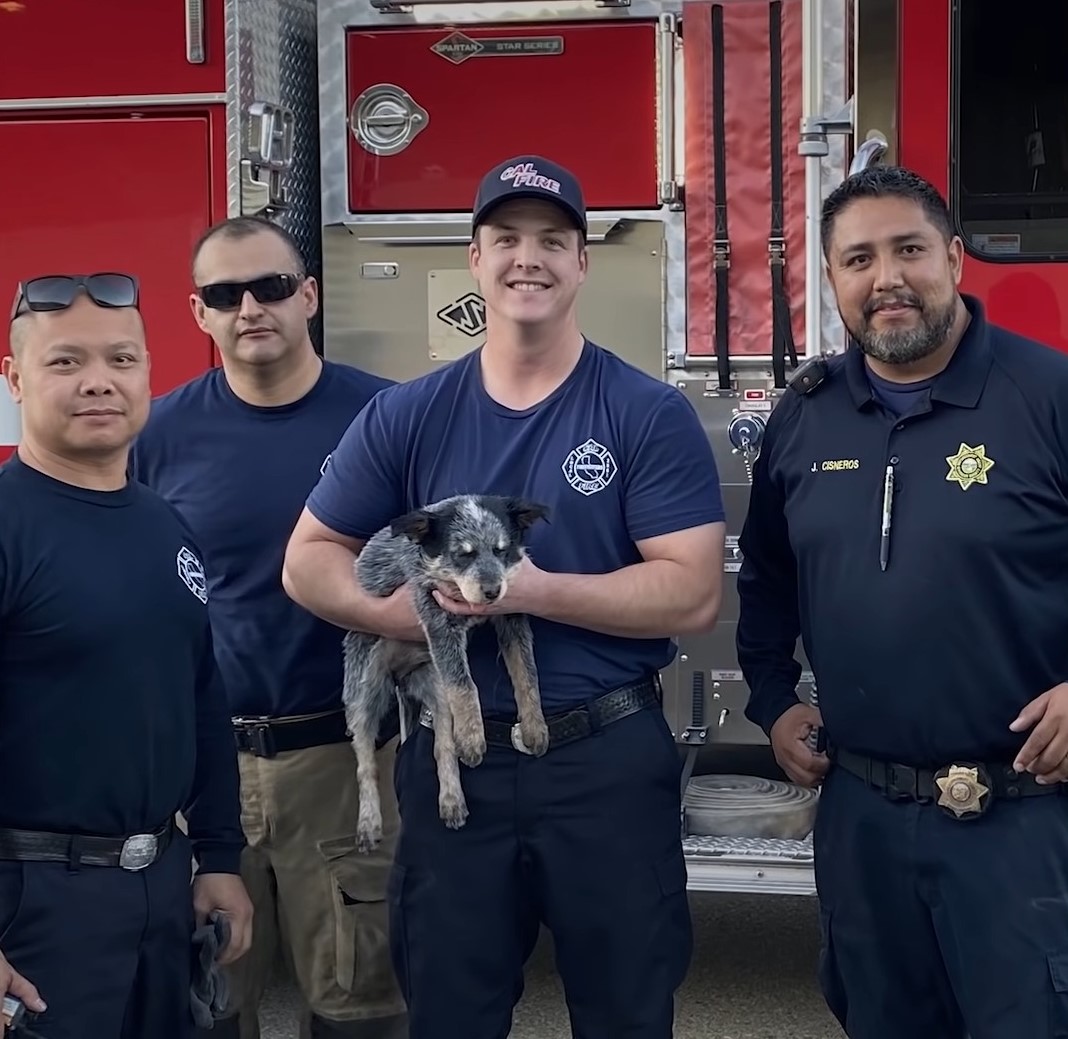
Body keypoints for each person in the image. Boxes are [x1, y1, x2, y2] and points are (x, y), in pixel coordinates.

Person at [281, 154, 726, 1039]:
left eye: (553, 241)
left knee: (628, 1011)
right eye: (508, 240)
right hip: (457, 766)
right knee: (449, 1011)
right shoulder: (409, 413)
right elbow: (308, 559)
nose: (530, 258)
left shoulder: (644, 411)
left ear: (582, 263)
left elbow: (691, 593)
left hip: (603, 758)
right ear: (476, 259)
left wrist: (533, 591)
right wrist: (395, 614)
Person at [736, 164, 1068, 1039]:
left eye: (909, 248)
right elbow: (765, 578)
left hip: (1024, 819)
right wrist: (771, 699)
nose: (885, 277)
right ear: (833, 278)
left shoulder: (1049, 396)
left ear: (956, 258)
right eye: (857, 259)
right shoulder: (805, 418)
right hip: (863, 821)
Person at [130, 217, 407, 1039]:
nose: (251, 306)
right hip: (204, 775)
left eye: (273, 286)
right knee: (208, 1008)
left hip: (349, 762)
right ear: (198, 313)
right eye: (225, 293)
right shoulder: (156, 438)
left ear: (309, 296)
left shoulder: (384, 419)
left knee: (360, 1007)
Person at [0, 272, 252, 1039]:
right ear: (14, 377)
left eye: (121, 359)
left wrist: (217, 854)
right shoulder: (9, 526)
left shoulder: (163, 524)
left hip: (160, 896)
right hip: (33, 905)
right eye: (66, 362)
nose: (99, 382)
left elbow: (200, 695)